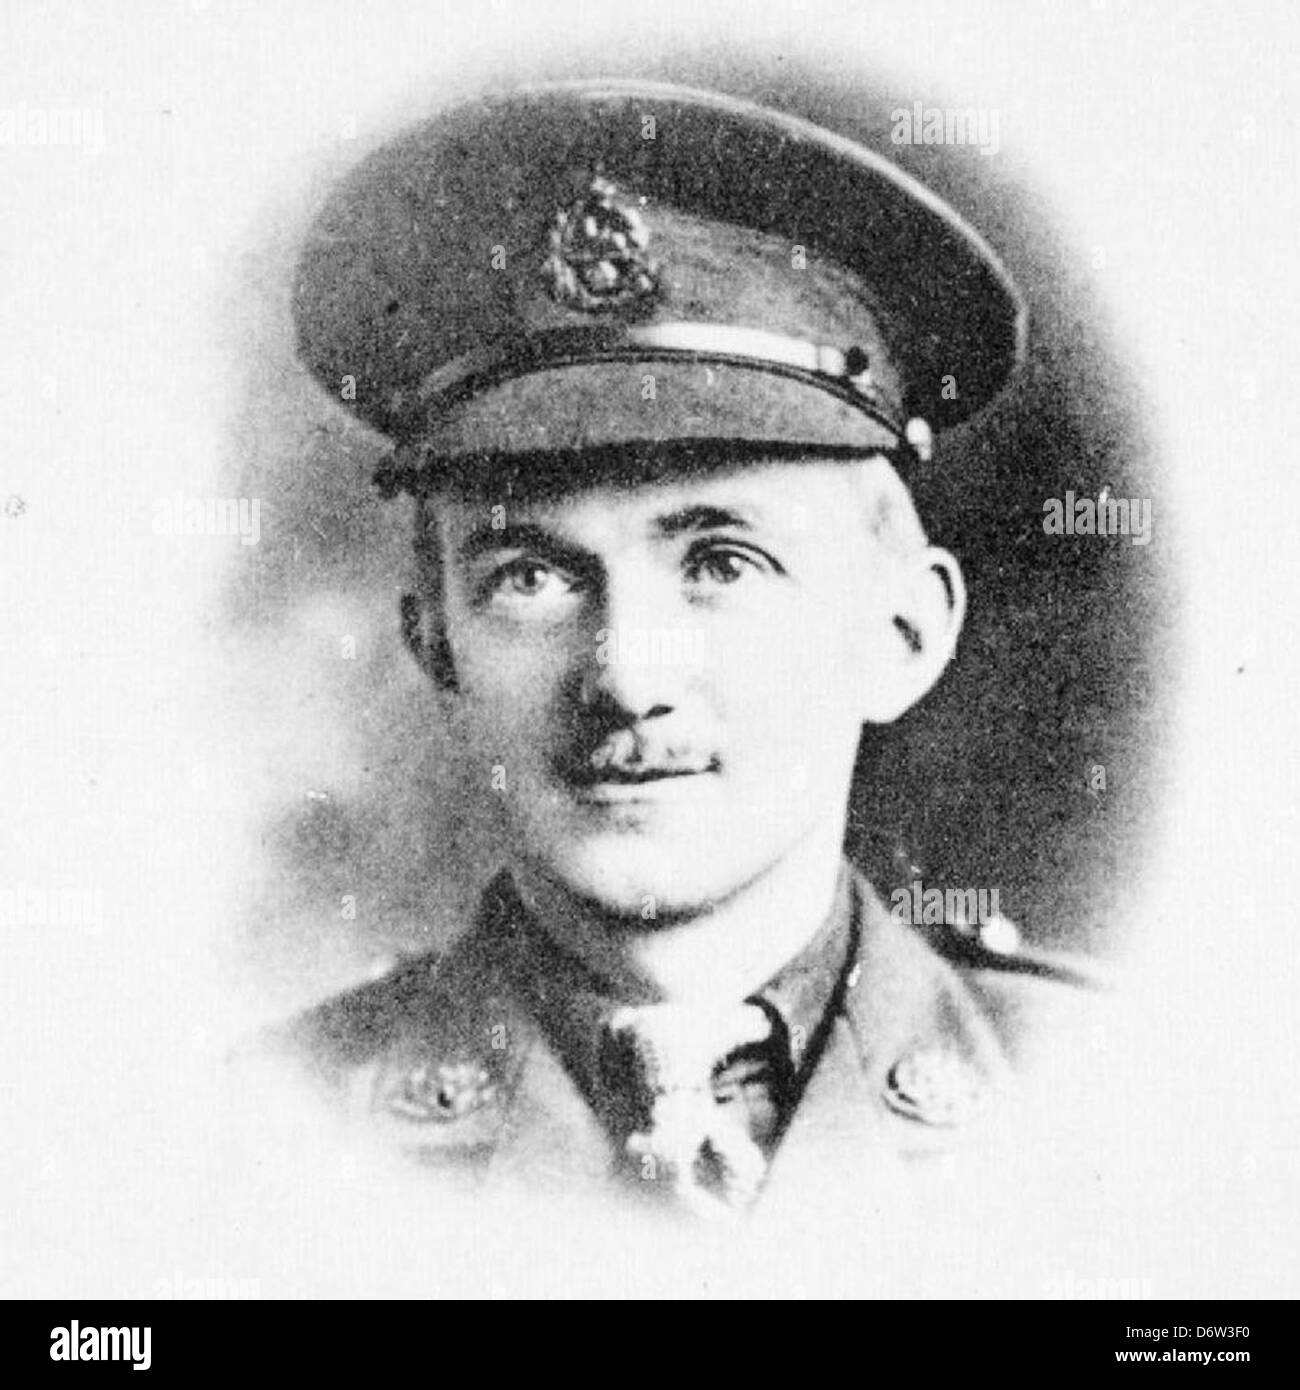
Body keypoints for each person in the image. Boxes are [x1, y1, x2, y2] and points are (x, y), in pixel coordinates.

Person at [264, 79, 1099, 1218]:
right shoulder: (264, 1131)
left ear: (902, 633)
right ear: (436, 644)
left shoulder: (1116, 1103)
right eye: (530, 577)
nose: (627, 676)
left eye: (722, 564)